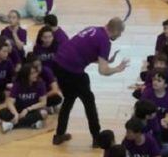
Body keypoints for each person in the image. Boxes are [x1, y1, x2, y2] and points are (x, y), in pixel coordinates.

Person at [51, 18, 129, 147]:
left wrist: (104, 59)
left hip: (58, 64)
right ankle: (96, 138)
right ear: (115, 30)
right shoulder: (105, 41)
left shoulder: (93, 28)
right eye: (119, 33)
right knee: (89, 102)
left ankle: (59, 135)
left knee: (69, 99)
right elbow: (103, 71)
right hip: (72, 70)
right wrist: (117, 69)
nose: (119, 36)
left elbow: (82, 51)